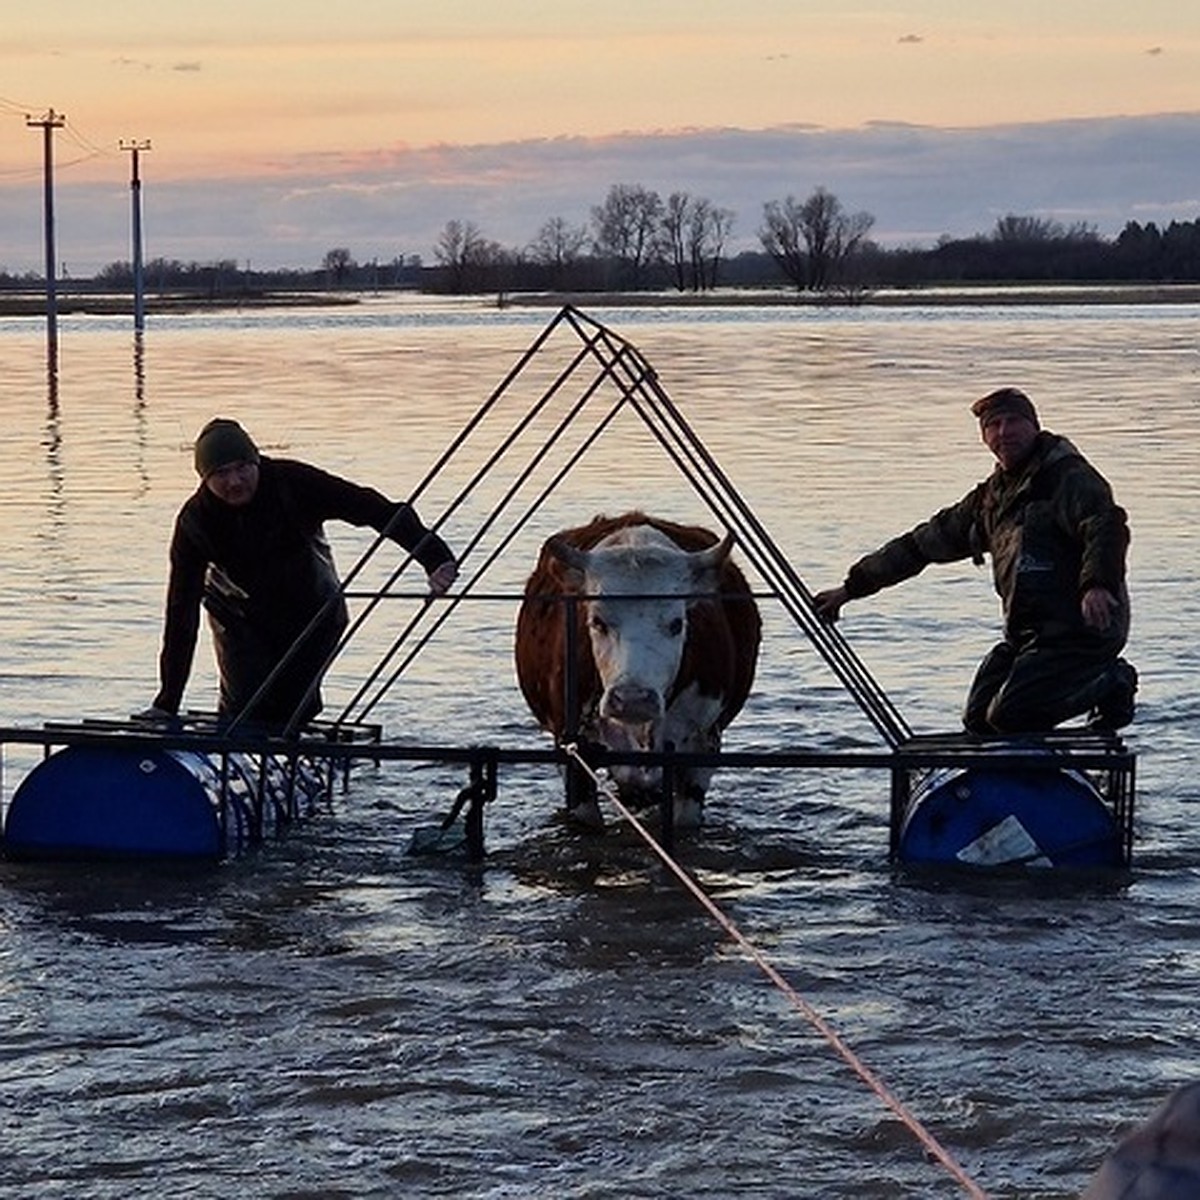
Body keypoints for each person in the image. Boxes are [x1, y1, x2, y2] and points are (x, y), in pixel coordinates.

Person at [813, 387, 1137, 734]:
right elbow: (920, 545)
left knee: (1011, 716)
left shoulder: (1067, 478)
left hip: (1083, 632)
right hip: (1029, 636)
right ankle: (1014, 777)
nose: (1004, 432)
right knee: (979, 722)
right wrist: (851, 588)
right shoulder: (991, 500)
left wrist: (1097, 585)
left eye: (1013, 421)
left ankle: (1113, 680)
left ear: (1034, 426)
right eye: (993, 425)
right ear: (984, 437)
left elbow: (1105, 526)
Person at [141, 417, 458, 730]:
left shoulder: (292, 483)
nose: (235, 482)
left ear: (257, 462)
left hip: (313, 610)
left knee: (292, 706)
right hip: (240, 619)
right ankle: (239, 757)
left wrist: (434, 558)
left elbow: (372, 509)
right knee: (245, 709)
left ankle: (294, 750)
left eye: (242, 468)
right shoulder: (195, 520)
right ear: (204, 479)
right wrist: (167, 702)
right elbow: (181, 612)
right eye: (221, 474)